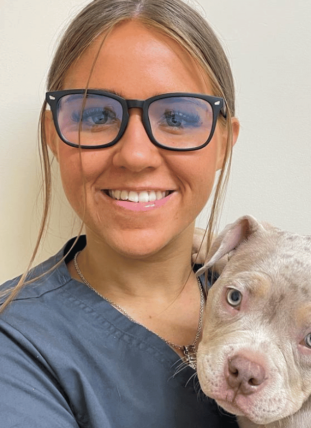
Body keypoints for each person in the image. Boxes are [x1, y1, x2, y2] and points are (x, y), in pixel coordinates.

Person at [0, 0, 240, 426]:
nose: (134, 155)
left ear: (223, 141)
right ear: (53, 134)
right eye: (96, 115)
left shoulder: (275, 292)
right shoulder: (15, 343)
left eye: (177, 117)